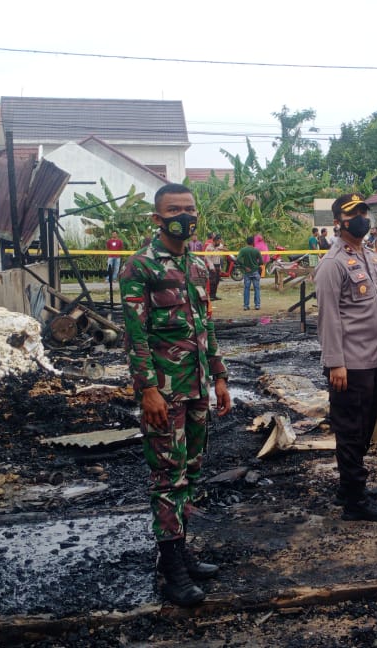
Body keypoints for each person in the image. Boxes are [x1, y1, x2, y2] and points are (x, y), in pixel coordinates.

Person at [118, 183, 232, 608]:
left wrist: (219, 377)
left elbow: (206, 327)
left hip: (197, 387)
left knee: (192, 473)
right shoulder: (140, 267)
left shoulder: (199, 266)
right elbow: (135, 336)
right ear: (157, 218)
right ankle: (171, 570)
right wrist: (148, 389)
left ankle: (181, 552)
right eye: (174, 210)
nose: (184, 216)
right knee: (168, 477)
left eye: (189, 208)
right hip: (164, 393)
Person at [314, 193, 377, 522]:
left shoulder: (369, 256)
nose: (362, 218)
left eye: (364, 212)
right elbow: (329, 317)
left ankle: (349, 486)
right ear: (338, 222)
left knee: (364, 427)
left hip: (372, 358)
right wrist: (335, 362)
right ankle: (355, 501)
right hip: (349, 364)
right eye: (354, 214)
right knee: (350, 430)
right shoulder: (332, 264)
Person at [235, 236, 263, 311]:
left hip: (247, 272)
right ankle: (257, 305)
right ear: (253, 242)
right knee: (257, 288)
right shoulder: (256, 250)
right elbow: (261, 262)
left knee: (246, 289)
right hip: (255, 271)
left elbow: (237, 260)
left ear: (246, 242)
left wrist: (244, 267)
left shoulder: (243, 250)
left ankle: (246, 305)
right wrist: (256, 265)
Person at [204, 233, 224, 300]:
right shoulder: (209, 247)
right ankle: (211, 295)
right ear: (214, 241)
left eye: (220, 241)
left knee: (217, 280)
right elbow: (207, 258)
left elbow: (219, 257)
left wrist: (220, 267)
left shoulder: (220, 246)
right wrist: (212, 267)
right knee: (212, 281)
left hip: (218, 264)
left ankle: (214, 295)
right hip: (212, 265)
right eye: (218, 241)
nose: (219, 242)